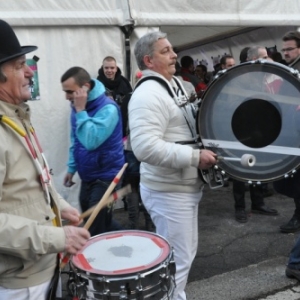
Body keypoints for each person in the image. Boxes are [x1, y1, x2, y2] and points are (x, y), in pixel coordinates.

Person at [0, 19, 90, 300]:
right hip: (18, 282)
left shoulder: (18, 114)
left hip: (41, 267)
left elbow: (33, 182)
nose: (29, 72)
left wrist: (60, 205)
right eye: (18, 66)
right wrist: (57, 238)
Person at [128, 31, 217, 300]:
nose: (174, 54)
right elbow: (144, 147)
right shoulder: (148, 94)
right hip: (168, 191)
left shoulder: (172, 84)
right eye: (165, 51)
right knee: (176, 262)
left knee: (181, 258)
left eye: (172, 49)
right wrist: (194, 157)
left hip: (181, 188)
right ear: (148, 60)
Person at [61, 66, 125, 236]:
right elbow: (75, 139)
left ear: (85, 88)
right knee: (101, 221)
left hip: (107, 174)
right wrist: (71, 167)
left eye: (69, 91)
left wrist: (81, 111)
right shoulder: (76, 106)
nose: (67, 96)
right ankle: (127, 240)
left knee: (93, 225)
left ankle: (96, 259)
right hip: (88, 174)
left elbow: (91, 142)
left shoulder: (108, 109)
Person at [233, 46, 278, 223]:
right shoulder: (238, 78)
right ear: (252, 59)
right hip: (241, 130)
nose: (267, 60)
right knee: (239, 170)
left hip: (259, 129)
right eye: (264, 57)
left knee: (258, 167)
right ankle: (240, 207)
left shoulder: (261, 77)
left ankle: (257, 203)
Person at [274, 31, 300, 233]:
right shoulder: (289, 69)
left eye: (289, 49)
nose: (286, 53)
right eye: (283, 50)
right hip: (291, 133)